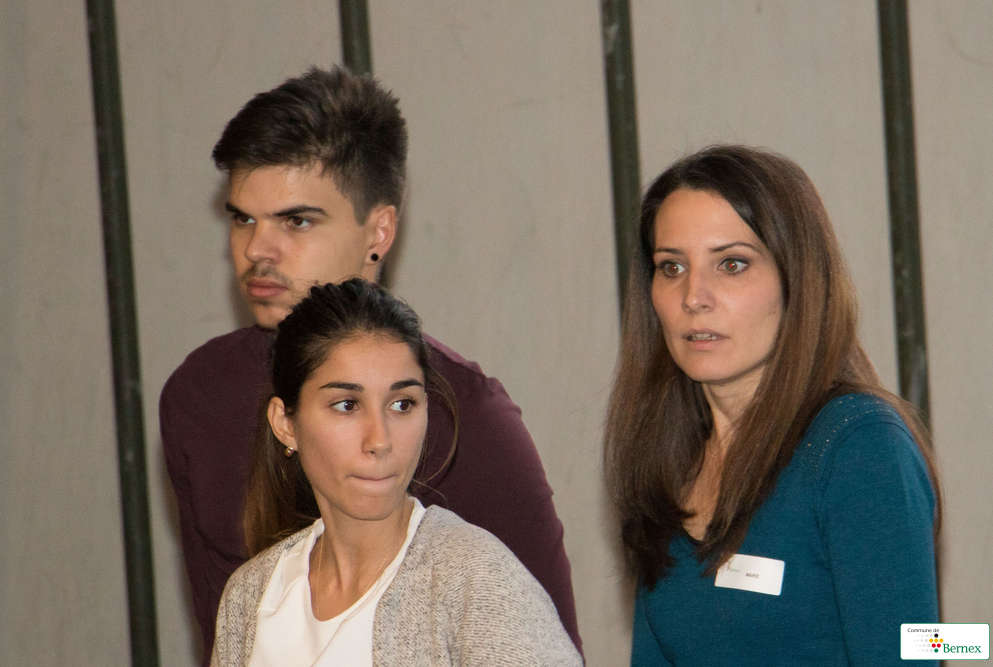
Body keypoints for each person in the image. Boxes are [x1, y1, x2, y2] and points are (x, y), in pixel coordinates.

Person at [160, 66, 580, 662]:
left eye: (297, 220)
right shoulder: (199, 396)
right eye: (242, 218)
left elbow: (540, 639)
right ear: (283, 421)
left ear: (378, 231)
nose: (256, 249)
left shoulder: (470, 415)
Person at [603, 145, 940, 666]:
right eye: (671, 267)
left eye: (731, 264)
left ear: (797, 281)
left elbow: (924, 645)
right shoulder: (663, 454)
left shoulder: (860, 444)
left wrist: (979, 640)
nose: (694, 296)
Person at [212, 279, 581, 667]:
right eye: (347, 405)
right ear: (285, 424)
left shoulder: (476, 581)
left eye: (402, 404)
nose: (380, 440)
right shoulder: (250, 596)